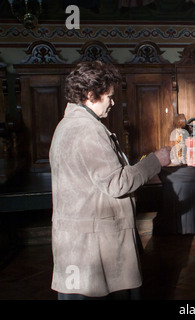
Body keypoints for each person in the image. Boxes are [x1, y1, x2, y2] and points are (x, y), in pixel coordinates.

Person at [49, 60, 171, 300]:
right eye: (109, 97)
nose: (113, 102)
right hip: (93, 243)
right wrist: (155, 160)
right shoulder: (88, 130)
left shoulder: (68, 124)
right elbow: (117, 183)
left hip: (80, 239)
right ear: (90, 95)